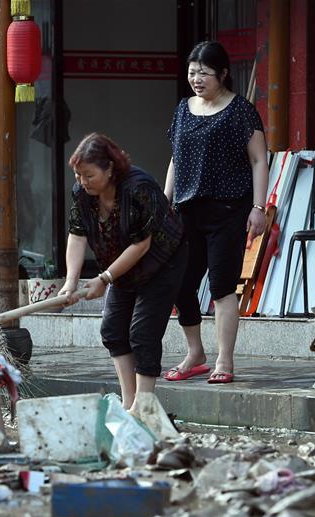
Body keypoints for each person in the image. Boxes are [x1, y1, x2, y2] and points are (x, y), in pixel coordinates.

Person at [162, 41, 268, 386]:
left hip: (228, 210)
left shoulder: (241, 111)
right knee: (180, 283)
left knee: (223, 287)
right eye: (192, 72)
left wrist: (258, 207)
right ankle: (196, 353)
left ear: (223, 74)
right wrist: (165, 202)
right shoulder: (182, 108)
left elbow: (259, 160)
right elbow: (176, 159)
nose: (196, 79)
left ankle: (225, 359)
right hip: (186, 212)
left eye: (204, 73)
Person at [60, 133, 187, 410]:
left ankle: (144, 407)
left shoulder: (138, 187)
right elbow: (77, 234)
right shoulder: (82, 192)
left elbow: (141, 245)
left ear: (109, 168)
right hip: (121, 263)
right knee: (114, 330)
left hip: (162, 261)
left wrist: (105, 278)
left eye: (89, 175)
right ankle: (130, 403)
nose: (82, 181)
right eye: (78, 175)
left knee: (142, 332)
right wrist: (71, 282)